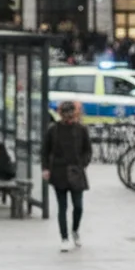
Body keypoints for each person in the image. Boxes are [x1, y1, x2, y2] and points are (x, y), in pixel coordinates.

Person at [42, 101, 92, 252]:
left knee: (78, 206)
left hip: (76, 171)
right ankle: (64, 237)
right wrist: (45, 168)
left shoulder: (81, 130)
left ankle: (75, 230)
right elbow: (45, 150)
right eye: (65, 115)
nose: (68, 119)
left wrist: (82, 163)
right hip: (59, 171)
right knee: (62, 207)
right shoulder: (53, 130)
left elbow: (87, 150)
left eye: (71, 115)